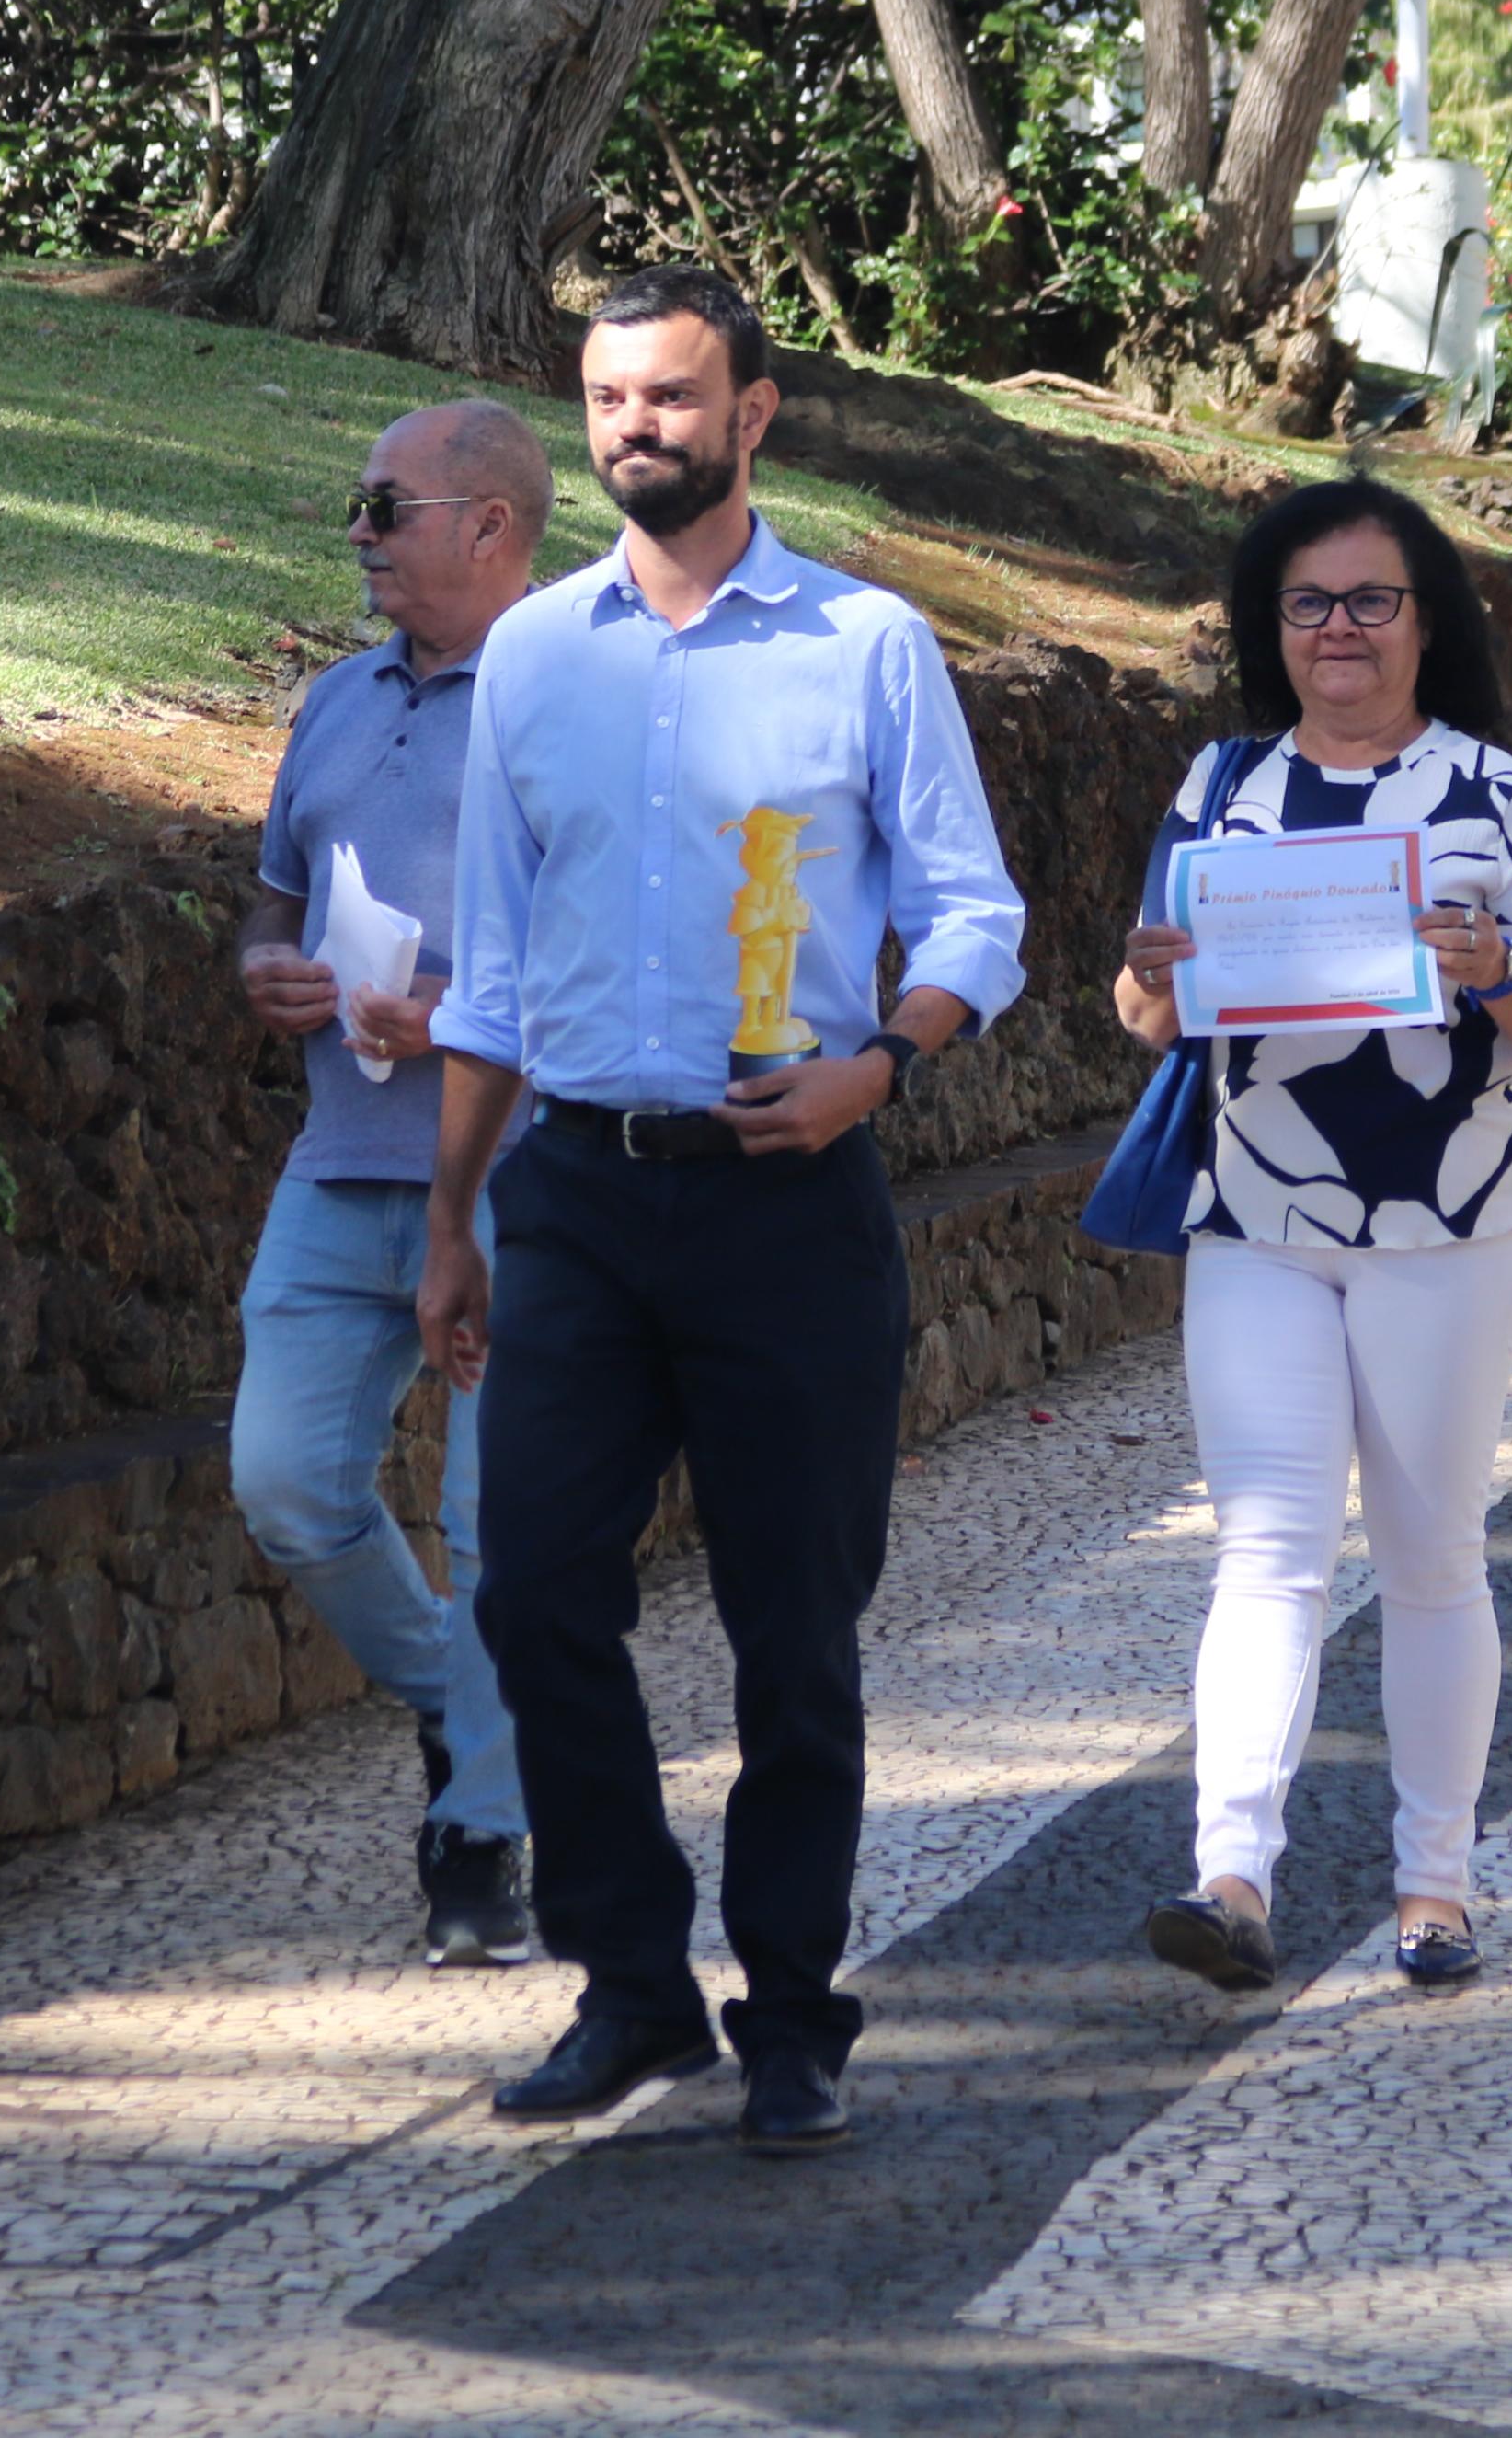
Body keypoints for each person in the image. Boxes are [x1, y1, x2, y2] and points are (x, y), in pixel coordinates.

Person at [420, 268, 1032, 2159]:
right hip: (579, 1195)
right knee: (529, 1585)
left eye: (674, 395)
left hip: (790, 1198)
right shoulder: (531, 654)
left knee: (795, 1629)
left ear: (754, 411)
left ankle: (790, 2007)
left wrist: (888, 1059)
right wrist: (453, 1214)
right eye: (610, 397)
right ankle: (631, 1981)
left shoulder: (868, 644)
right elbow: (494, 972)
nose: (638, 429)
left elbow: (977, 911)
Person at [1112, 482, 1512, 1997]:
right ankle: (1233, 1875)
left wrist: (1493, 964)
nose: (1339, 629)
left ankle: (1435, 1887)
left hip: (1447, 1226)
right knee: (1264, 1549)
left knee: (1429, 1556)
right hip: (1258, 1212)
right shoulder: (1222, 783)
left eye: (1370, 601)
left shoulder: (1487, 792)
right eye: (1310, 604)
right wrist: (1148, 977)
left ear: (1422, 621)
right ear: (1276, 630)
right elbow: (1145, 1016)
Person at [235, 400, 555, 1971]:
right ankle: (462, 1710)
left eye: (383, 508)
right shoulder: (332, 703)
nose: (355, 534)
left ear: (487, 525)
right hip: (344, 1158)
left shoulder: (573, 705)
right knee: (285, 1481)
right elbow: (267, 911)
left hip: (518, 1173)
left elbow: (634, 962)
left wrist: (465, 1022)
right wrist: (275, 977)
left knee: (493, 1519)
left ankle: (480, 1832)